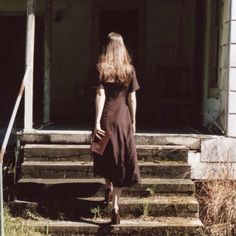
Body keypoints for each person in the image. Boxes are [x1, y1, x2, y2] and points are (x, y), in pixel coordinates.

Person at [92, 32, 141, 225]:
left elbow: (100, 96)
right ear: (122, 48)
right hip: (123, 119)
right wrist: (134, 121)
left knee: (105, 155)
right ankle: (116, 208)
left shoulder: (100, 68)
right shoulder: (130, 70)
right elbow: (132, 98)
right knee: (120, 159)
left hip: (106, 118)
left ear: (107, 47)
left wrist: (96, 122)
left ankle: (107, 188)